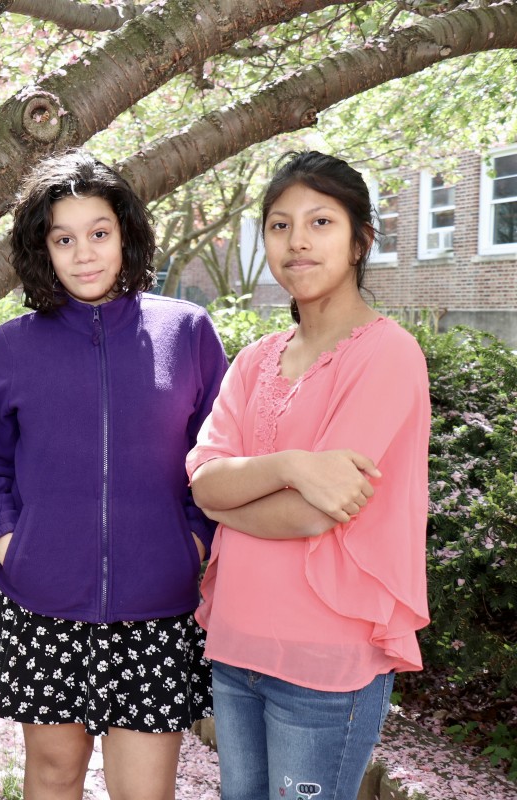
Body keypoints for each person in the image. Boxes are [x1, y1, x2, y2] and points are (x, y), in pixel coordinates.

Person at [0, 150, 227, 800]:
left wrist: (193, 543)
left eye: (98, 233)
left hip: (156, 612)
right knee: (52, 780)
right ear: (42, 249)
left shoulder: (186, 331)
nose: (84, 254)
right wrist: (8, 546)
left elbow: (220, 456)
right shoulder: (14, 345)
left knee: (144, 791)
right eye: (64, 238)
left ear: (125, 233)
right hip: (43, 607)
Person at [186, 151, 431, 800]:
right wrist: (291, 466)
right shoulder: (255, 360)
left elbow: (314, 511)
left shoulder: (388, 355)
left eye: (321, 222)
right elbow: (203, 481)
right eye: (279, 224)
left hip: (328, 662)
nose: (297, 241)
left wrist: (232, 495)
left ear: (361, 242)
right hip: (236, 647)